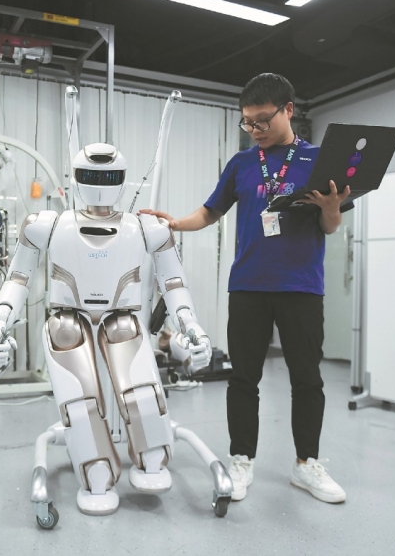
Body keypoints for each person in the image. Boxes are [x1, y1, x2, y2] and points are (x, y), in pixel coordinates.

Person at [141, 72, 350, 504]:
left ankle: (306, 465)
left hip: (302, 288)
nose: (255, 130)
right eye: (248, 123)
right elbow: (211, 210)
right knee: (243, 379)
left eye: (262, 120)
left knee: (308, 380)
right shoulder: (241, 163)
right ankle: (241, 461)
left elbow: (330, 226)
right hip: (249, 286)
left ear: (288, 110)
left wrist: (331, 209)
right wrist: (176, 223)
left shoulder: (317, 159)